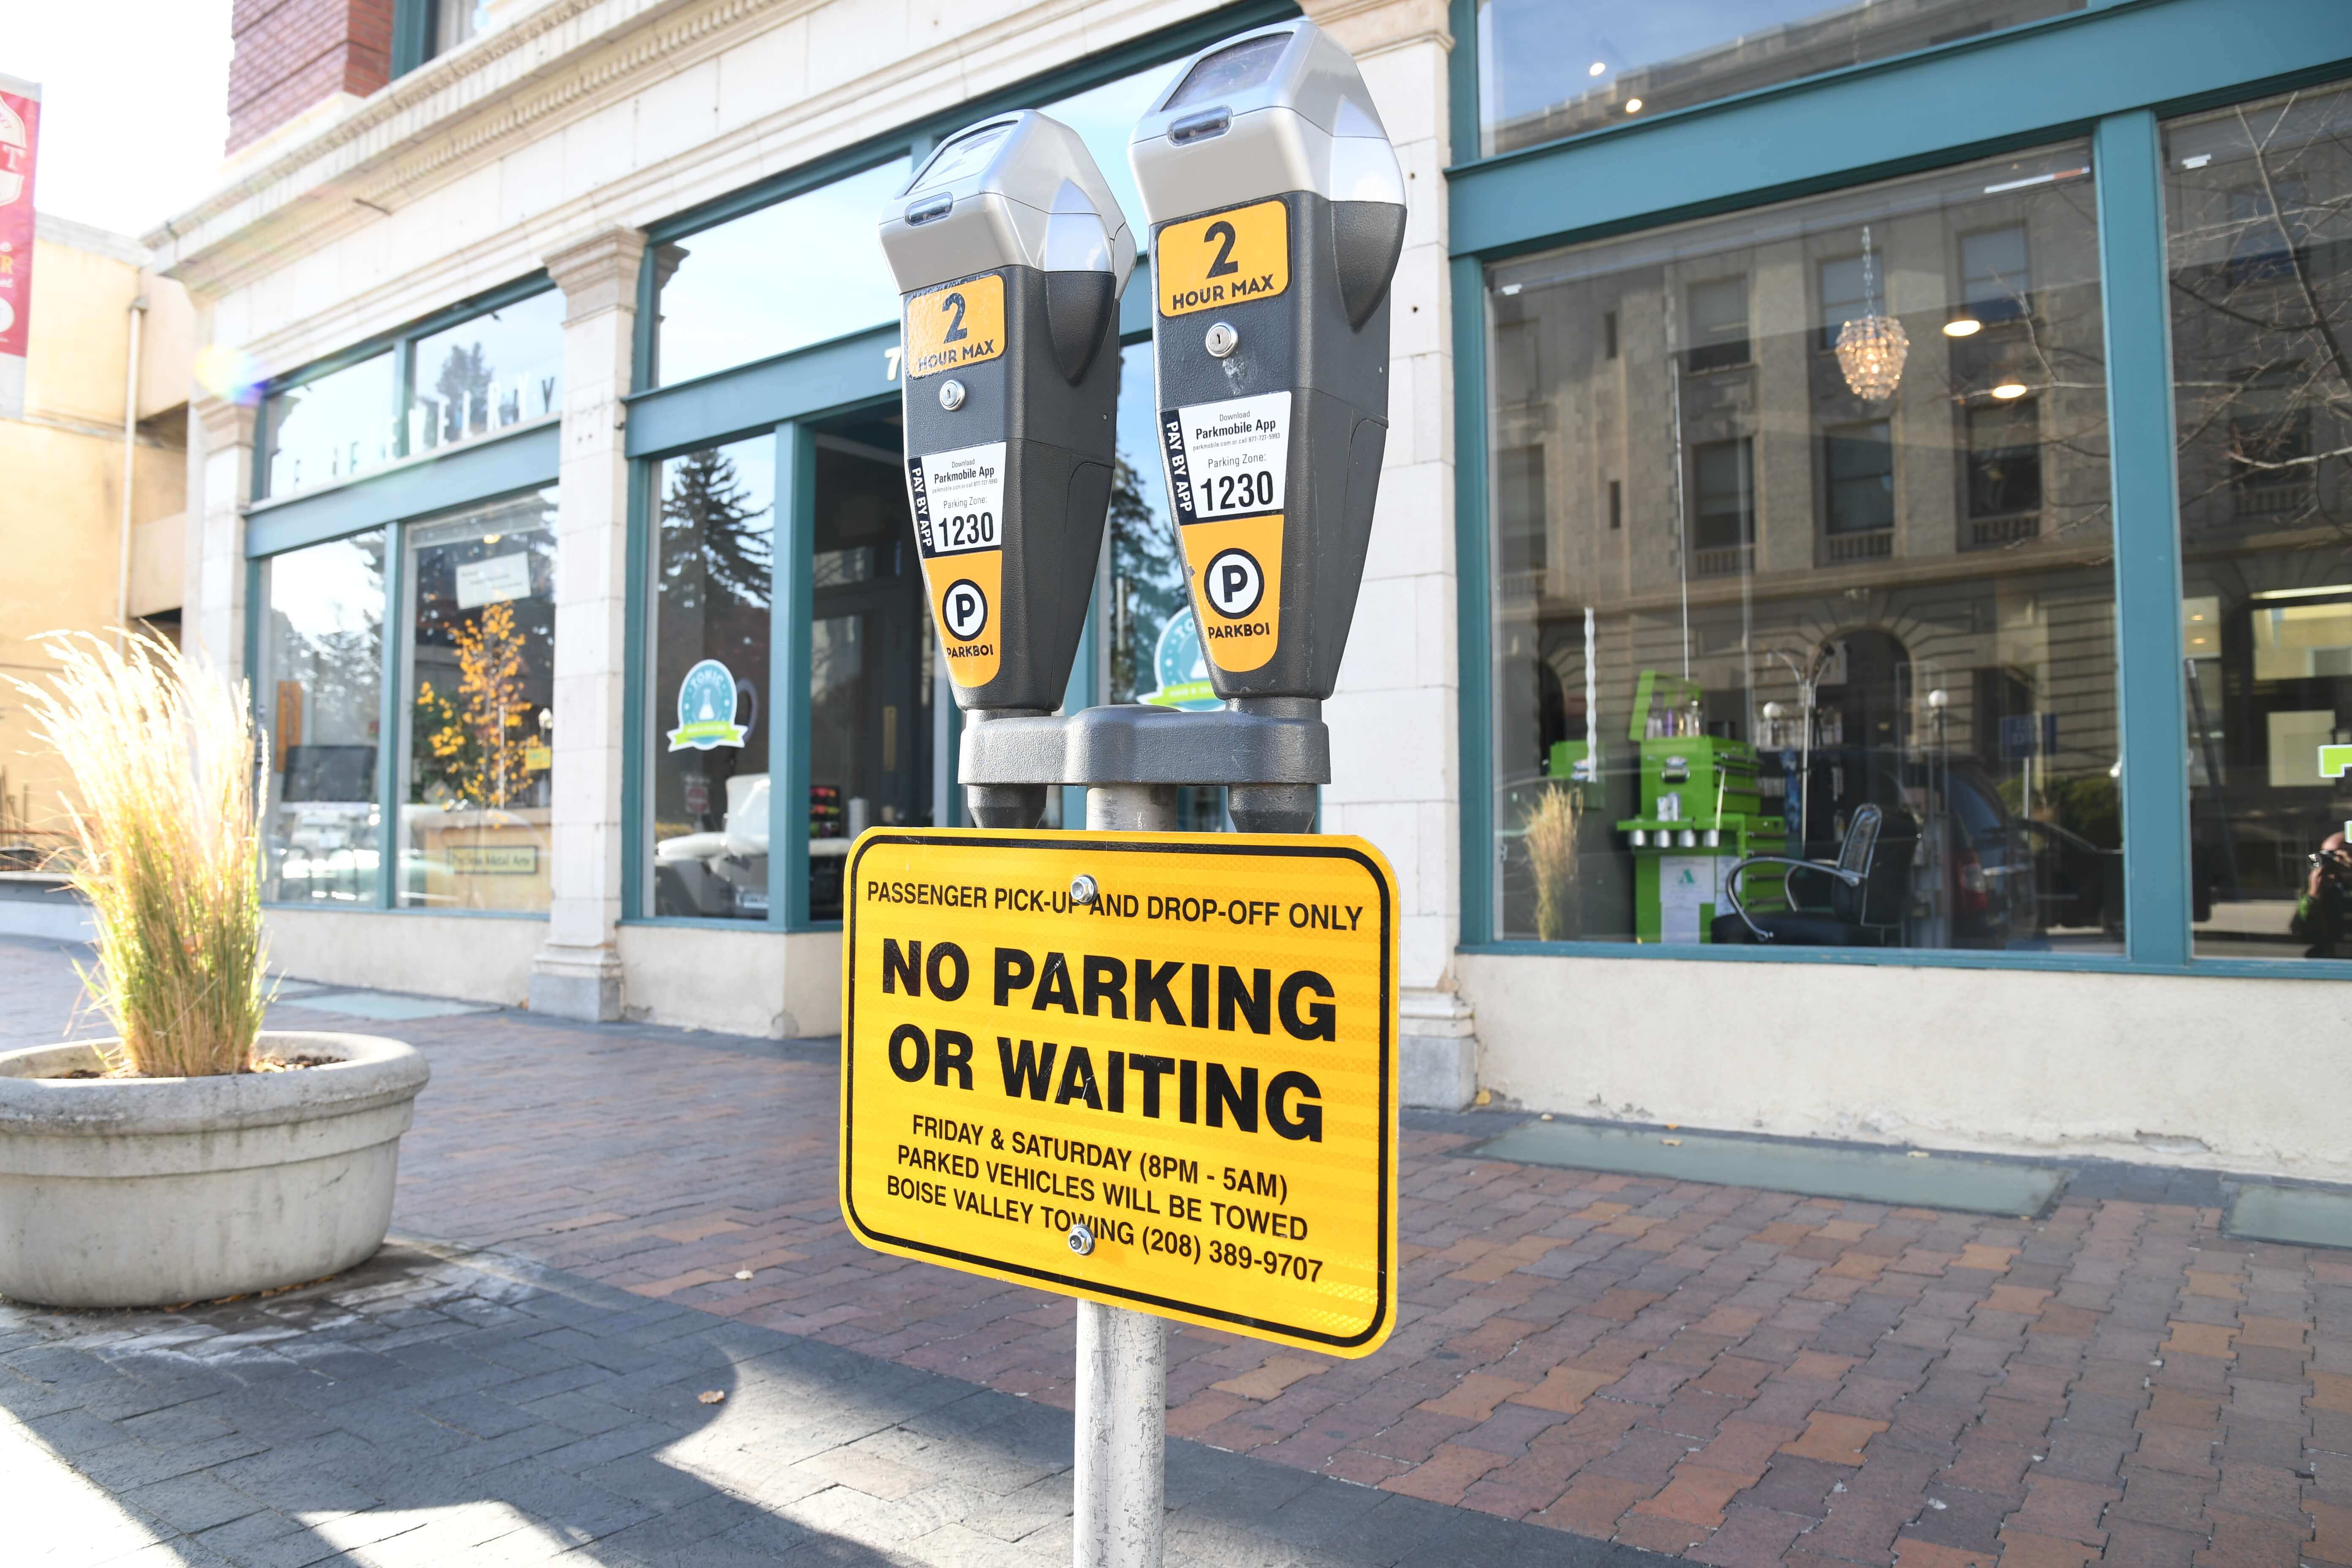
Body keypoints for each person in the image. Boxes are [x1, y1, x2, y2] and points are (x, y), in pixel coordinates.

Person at [2291, 828, 2352, 958]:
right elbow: (2300, 933)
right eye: (2325, 855)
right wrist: (2313, 896)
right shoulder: (2325, 889)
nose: (2330, 862)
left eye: (2333, 855)